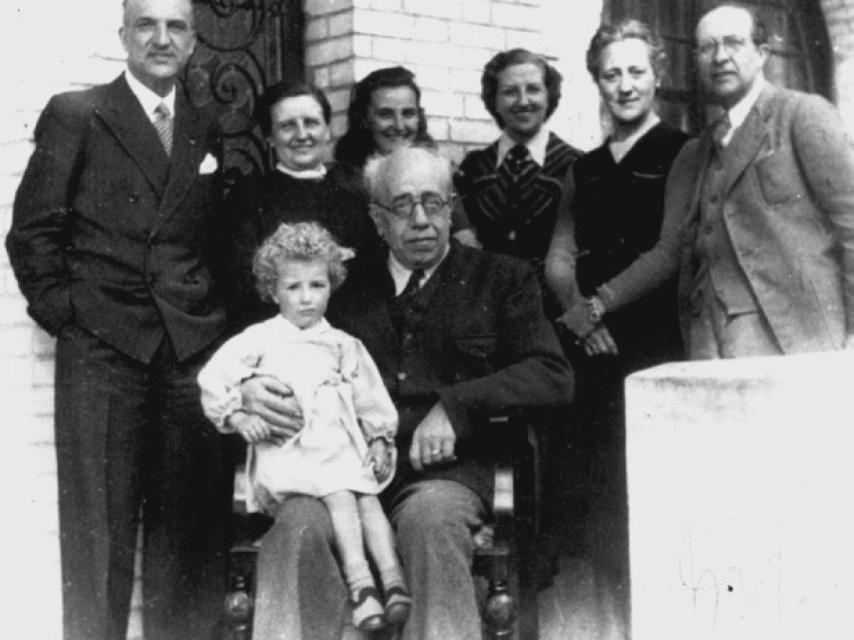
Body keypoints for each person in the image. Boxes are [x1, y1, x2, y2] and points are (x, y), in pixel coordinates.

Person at [242, 146, 574, 640]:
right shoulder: (341, 290)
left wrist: (457, 405)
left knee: (429, 520)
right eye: (402, 206)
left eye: (433, 203)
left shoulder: (501, 278)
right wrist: (250, 387)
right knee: (295, 526)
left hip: (449, 474)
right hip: (342, 475)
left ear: (450, 206)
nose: (420, 220)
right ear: (377, 219)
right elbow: (274, 344)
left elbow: (552, 374)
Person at [4, 0, 233, 639]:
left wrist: (214, 331)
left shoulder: (204, 125)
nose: (162, 39)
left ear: (193, 41)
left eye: (176, 27)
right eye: (147, 26)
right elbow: (33, 231)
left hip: (188, 349)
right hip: (104, 350)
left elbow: (211, 240)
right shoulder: (78, 114)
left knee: (188, 532)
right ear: (125, 35)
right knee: (98, 533)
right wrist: (71, 319)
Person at [544, 18, 691, 626]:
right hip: (591, 345)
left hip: (654, 340)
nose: (625, 85)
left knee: (655, 491)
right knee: (600, 490)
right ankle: (606, 624)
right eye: (612, 74)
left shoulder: (685, 151)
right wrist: (580, 317)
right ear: (596, 83)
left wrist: (596, 305)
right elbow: (557, 255)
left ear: (657, 76)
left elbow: (668, 250)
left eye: (636, 72)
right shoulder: (584, 168)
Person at [199, 222, 411, 631]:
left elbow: (370, 397)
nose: (306, 298)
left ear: (332, 286)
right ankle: (362, 587)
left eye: (317, 285)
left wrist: (381, 440)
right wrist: (240, 415)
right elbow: (212, 380)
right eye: (293, 287)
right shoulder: (259, 339)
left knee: (368, 499)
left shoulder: (343, 344)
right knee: (344, 495)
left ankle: (394, 581)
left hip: (336, 454)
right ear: (272, 290)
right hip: (291, 458)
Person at [668, 3, 854, 358]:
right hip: (709, 340)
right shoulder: (705, 144)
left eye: (734, 43)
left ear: (762, 53)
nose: (720, 57)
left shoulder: (802, 114)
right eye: (707, 48)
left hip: (791, 336)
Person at [224, 79, 380, 331]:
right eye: (287, 126)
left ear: (327, 130)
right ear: (269, 137)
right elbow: (243, 280)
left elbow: (378, 264)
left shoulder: (354, 186)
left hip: (358, 330)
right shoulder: (251, 196)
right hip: (285, 336)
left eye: (311, 122)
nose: (302, 135)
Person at [454, 47, 582, 308]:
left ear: (549, 96)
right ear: (494, 100)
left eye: (533, 89)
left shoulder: (579, 166)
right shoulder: (474, 169)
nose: (523, 101)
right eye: (510, 91)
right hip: (486, 316)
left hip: (555, 318)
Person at [334, 65, 478, 247]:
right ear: (363, 119)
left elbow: (465, 242)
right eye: (385, 114)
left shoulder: (436, 173)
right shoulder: (346, 182)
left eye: (408, 114)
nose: (400, 125)